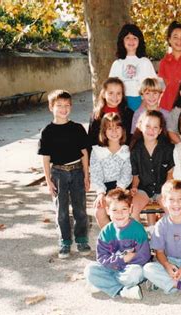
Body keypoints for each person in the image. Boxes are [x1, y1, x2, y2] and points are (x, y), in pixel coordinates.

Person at [37, 90, 91, 258]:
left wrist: (86, 175)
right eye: (59, 105)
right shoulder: (47, 131)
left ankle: (81, 239)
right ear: (51, 107)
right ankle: (64, 242)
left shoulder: (77, 128)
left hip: (76, 172)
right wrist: (48, 180)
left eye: (67, 105)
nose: (63, 109)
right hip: (58, 173)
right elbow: (45, 158)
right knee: (61, 210)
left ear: (71, 107)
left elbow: (84, 152)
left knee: (80, 208)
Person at [84, 189, 151, 300]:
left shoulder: (138, 229)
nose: (119, 214)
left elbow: (144, 256)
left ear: (130, 209)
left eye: (124, 209)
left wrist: (126, 262)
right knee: (90, 270)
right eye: (114, 210)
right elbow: (101, 257)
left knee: (136, 273)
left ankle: (104, 283)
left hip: (130, 269)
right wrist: (121, 260)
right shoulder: (106, 232)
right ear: (107, 211)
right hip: (113, 266)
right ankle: (122, 291)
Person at [130, 110, 174, 224]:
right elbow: (136, 175)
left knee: (170, 210)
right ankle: (140, 239)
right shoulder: (135, 150)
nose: (151, 130)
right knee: (133, 210)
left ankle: (166, 238)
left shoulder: (167, 148)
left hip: (162, 189)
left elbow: (170, 172)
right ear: (140, 126)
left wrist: (167, 189)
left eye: (155, 127)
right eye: (148, 126)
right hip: (143, 189)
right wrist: (134, 187)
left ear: (160, 130)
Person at [90, 113, 132, 228]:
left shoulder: (126, 151)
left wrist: (119, 189)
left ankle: (124, 238)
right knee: (99, 210)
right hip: (103, 188)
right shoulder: (97, 151)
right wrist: (100, 193)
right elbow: (95, 173)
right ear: (104, 131)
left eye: (117, 127)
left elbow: (127, 173)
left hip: (122, 188)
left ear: (122, 130)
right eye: (110, 128)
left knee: (120, 210)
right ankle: (110, 239)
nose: (114, 132)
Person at [109, 23, 157, 111]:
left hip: (143, 103)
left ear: (140, 41)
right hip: (122, 104)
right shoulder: (117, 64)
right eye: (127, 38)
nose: (131, 41)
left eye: (135, 38)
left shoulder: (145, 62)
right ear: (122, 40)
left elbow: (155, 86)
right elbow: (110, 88)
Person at [88, 77, 133, 149]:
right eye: (111, 93)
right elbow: (91, 141)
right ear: (103, 94)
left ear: (123, 95)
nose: (115, 97)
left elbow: (131, 138)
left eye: (118, 93)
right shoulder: (97, 115)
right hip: (102, 155)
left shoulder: (129, 114)